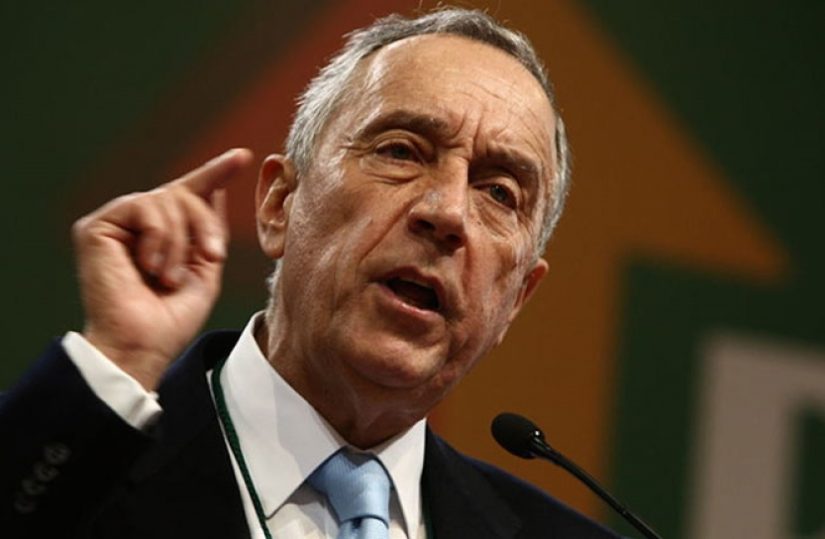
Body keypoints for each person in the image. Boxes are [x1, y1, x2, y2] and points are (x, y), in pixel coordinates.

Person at [1, 8, 619, 538]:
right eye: (401, 151)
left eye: (500, 192)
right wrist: (121, 357)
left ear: (517, 298)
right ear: (279, 204)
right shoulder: (77, 466)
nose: (448, 212)